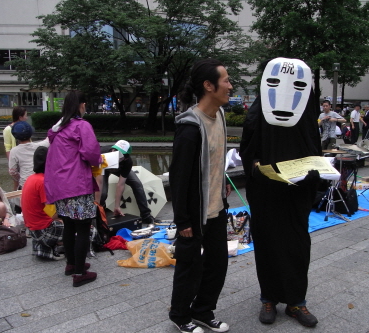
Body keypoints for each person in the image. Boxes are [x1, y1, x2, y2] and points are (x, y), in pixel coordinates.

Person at [240, 57, 321, 328]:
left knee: (298, 245)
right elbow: (247, 148)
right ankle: (269, 298)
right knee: (267, 244)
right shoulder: (257, 114)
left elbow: (314, 150)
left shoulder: (307, 116)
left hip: (297, 195)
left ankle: (297, 301)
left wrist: (315, 173)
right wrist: (255, 167)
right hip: (266, 193)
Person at [168, 59, 232, 333]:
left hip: (216, 207)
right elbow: (178, 179)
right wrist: (182, 221)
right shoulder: (190, 128)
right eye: (226, 80)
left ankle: (203, 311)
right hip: (193, 213)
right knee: (189, 266)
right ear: (209, 86)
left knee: (218, 264)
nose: (230, 85)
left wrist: (223, 183)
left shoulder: (219, 116)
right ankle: (180, 315)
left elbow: (215, 161)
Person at [44, 90, 102, 287]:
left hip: (59, 186)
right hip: (77, 184)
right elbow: (92, 154)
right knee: (83, 227)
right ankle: (79, 273)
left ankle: (71, 264)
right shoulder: (81, 126)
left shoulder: (57, 129)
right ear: (81, 105)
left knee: (69, 225)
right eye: (85, 104)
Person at [95, 140, 156, 224]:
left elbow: (120, 184)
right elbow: (99, 183)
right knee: (103, 194)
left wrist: (117, 206)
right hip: (102, 169)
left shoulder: (127, 162)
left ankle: (146, 215)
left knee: (136, 183)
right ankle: (98, 215)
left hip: (120, 169)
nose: (115, 155)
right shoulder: (102, 153)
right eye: (114, 151)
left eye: (119, 154)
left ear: (125, 157)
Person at [21, 146, 65, 261]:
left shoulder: (31, 178)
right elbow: (53, 214)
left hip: (33, 230)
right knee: (82, 227)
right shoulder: (44, 182)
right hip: (43, 230)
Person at [8, 121, 50, 189]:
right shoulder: (40, 146)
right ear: (31, 134)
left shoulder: (14, 151)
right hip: (41, 184)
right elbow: (48, 139)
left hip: (25, 185)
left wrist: (19, 178)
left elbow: (12, 172)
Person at [3, 106, 28, 190]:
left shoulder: (26, 127)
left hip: (25, 158)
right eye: (25, 115)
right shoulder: (8, 129)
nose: (26, 118)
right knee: (16, 183)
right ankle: (16, 201)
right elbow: (8, 147)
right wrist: (12, 165)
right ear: (20, 117)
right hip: (16, 159)